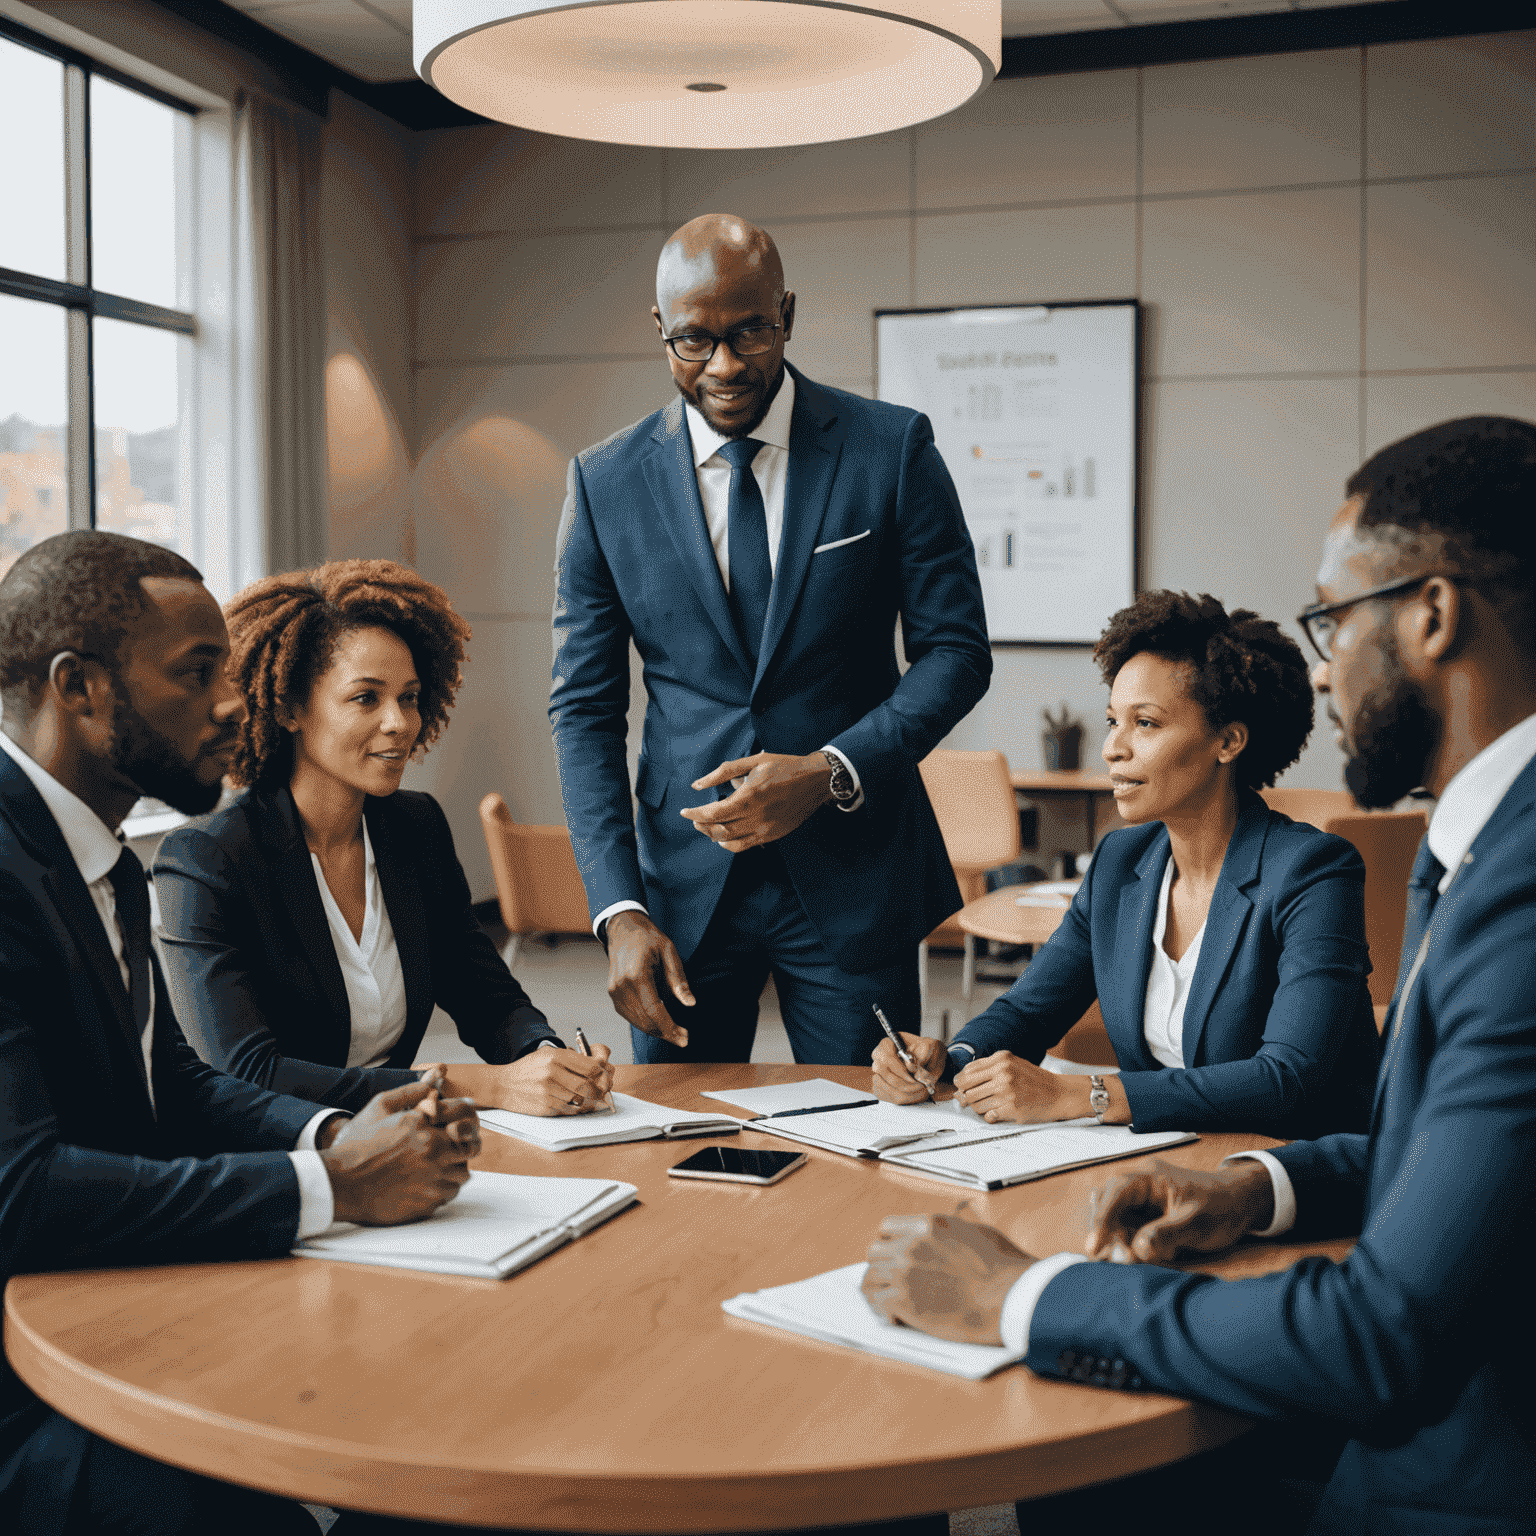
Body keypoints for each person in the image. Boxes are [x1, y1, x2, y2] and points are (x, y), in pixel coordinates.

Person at [860, 415, 1536, 1535]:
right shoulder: (1470, 853)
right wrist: (1249, 1189)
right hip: (1389, 1351)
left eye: (1334, 618)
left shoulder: (1479, 883)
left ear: (1431, 613)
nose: (1323, 674)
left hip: (1456, 1474)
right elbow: (1426, 1151)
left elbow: (1382, 1335)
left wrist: (1025, 1292)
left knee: (1079, 1438)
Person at [0, 531, 482, 1536]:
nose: (232, 701)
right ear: (79, 689)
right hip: (33, 1384)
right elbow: (23, 1188)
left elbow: (170, 1083)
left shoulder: (103, 859)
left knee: (454, 1398)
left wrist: (332, 1136)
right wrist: (334, 1184)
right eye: (197, 673)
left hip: (123, 1302)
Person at [550, 213, 991, 1065]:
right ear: (660, 331)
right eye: (694, 341)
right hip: (679, 893)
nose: (723, 365)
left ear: (785, 311)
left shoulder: (891, 449)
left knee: (874, 1139)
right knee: (680, 1147)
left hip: (855, 876)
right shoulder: (603, 483)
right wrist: (618, 909)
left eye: (749, 331)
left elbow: (956, 654)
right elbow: (584, 711)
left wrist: (831, 771)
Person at [873, 592, 1379, 1139]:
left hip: (1293, 1174)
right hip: (1166, 1162)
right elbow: (1029, 1011)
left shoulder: (1312, 871)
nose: (1114, 747)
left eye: (1146, 723)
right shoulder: (1121, 861)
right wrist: (948, 1059)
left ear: (1228, 741)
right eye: (1114, 720)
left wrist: (1083, 1094)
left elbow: (1289, 1080)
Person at [154, 560, 613, 1117]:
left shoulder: (416, 827)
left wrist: (547, 1059)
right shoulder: (206, 859)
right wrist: (480, 1087)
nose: (400, 722)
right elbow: (248, 1071)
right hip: (273, 1162)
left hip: (403, 1140)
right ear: (290, 707)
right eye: (366, 698)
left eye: (411, 697)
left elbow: (486, 996)